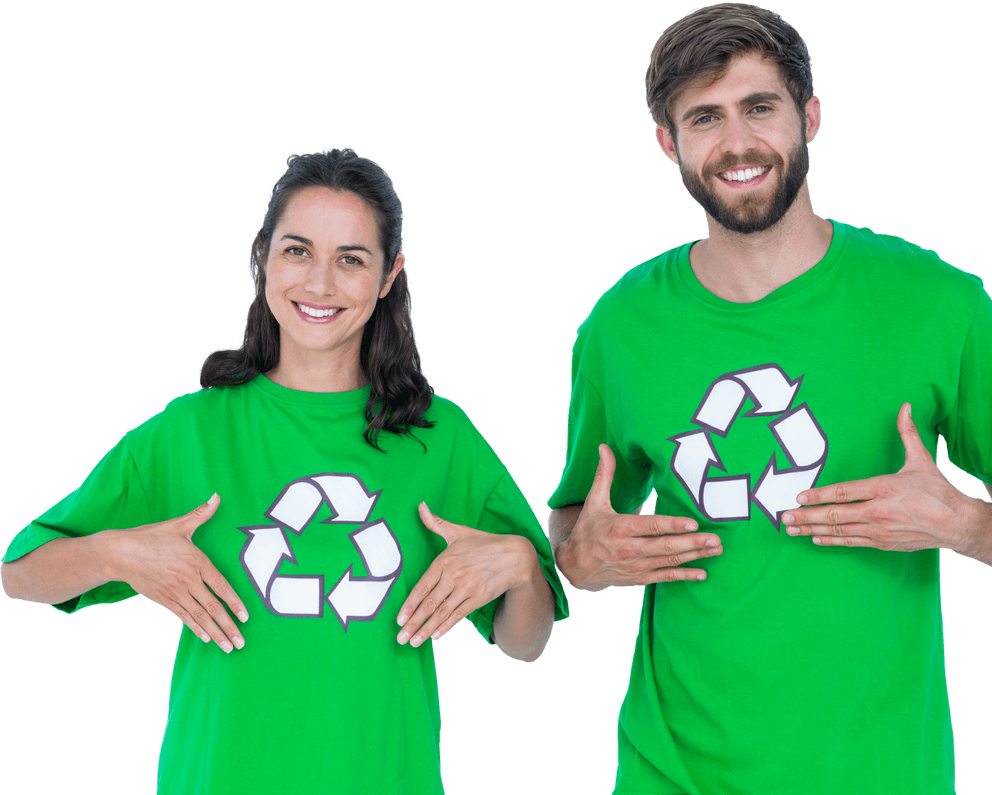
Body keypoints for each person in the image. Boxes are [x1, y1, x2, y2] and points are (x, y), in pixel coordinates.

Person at [546, 4, 992, 795]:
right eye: (705, 118)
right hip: (672, 770)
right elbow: (577, 521)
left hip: (878, 772)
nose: (737, 143)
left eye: (760, 107)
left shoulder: (938, 304)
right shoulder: (618, 330)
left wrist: (965, 523)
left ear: (811, 117)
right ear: (668, 142)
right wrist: (578, 559)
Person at [1, 147, 569, 794]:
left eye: (351, 259)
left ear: (389, 275)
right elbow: (19, 574)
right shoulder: (192, 431)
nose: (319, 284)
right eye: (298, 251)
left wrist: (521, 565)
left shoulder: (439, 439)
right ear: (264, 256)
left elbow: (525, 642)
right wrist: (118, 553)